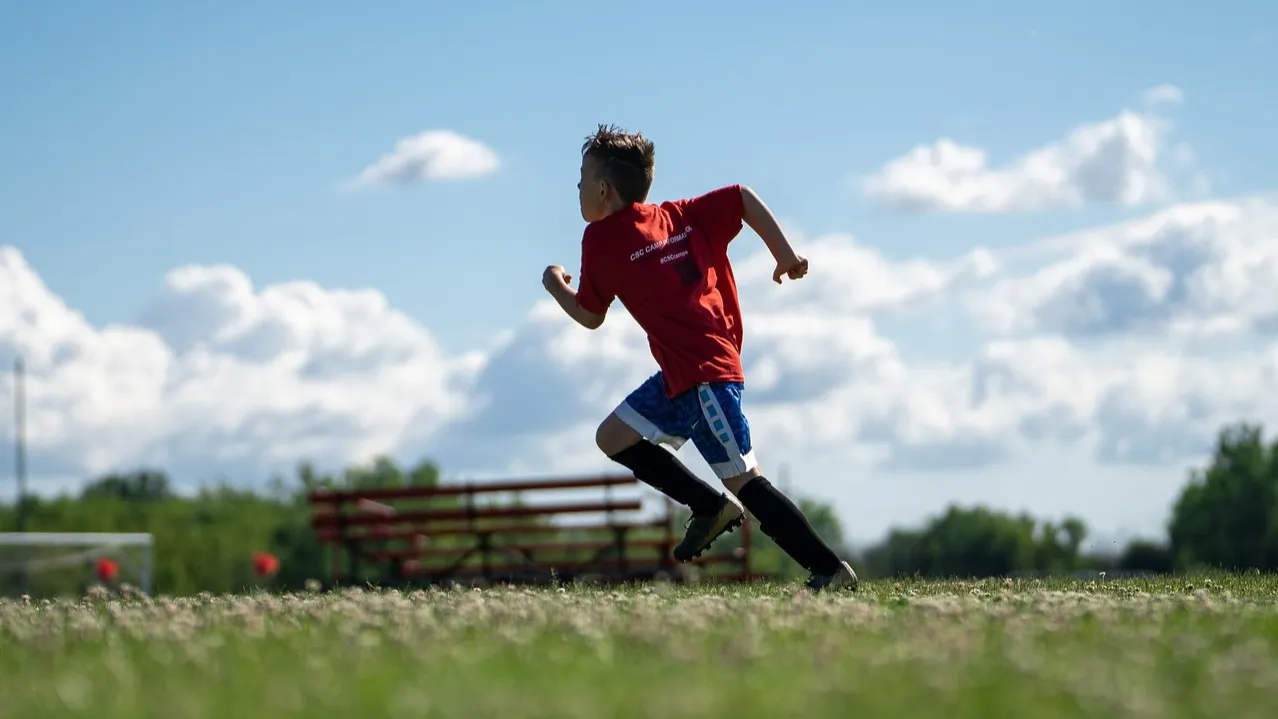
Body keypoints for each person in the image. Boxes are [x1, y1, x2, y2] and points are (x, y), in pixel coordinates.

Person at [541, 124, 858, 592]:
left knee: (745, 480)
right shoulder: (680, 216)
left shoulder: (601, 239)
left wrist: (554, 285)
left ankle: (830, 569)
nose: (578, 188)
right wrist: (784, 254)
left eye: (582, 178)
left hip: (704, 376)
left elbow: (589, 315)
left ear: (603, 189)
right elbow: (743, 198)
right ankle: (708, 506)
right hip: (681, 374)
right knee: (613, 436)